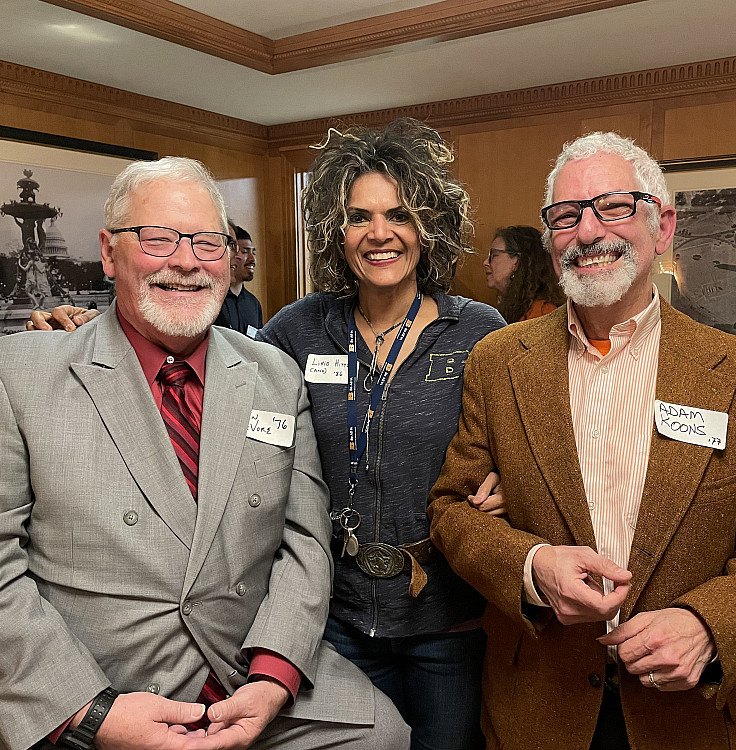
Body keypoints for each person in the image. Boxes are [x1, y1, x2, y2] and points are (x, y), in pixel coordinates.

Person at [0, 156, 409, 750]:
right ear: (109, 252)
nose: (185, 261)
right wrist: (91, 712)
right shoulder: (7, 378)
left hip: (242, 670)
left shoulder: (275, 375)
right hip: (89, 682)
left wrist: (275, 675)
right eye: (158, 238)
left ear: (230, 258)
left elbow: (304, 541)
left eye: (209, 242)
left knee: (382, 733)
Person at [428, 132, 736, 750]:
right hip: (539, 701)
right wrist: (533, 566)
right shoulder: (499, 363)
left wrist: (709, 626)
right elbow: (451, 512)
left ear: (661, 226)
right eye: (566, 216)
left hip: (689, 716)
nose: (587, 232)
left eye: (612, 207)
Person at [256, 119, 506, 750]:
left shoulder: (479, 331)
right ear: (333, 233)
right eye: (358, 217)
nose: (379, 234)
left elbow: (529, 440)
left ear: (429, 227)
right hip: (336, 616)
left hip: (448, 618)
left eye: (399, 214)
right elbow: (219, 379)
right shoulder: (297, 329)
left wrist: (514, 483)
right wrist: (94, 329)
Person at [483, 226, 563, 322]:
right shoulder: (513, 307)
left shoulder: (542, 313)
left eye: (494, 255)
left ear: (517, 261)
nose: (486, 262)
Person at [215, 222, 263, 336]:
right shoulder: (215, 301)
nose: (252, 259)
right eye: (245, 251)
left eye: (253, 252)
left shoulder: (254, 304)